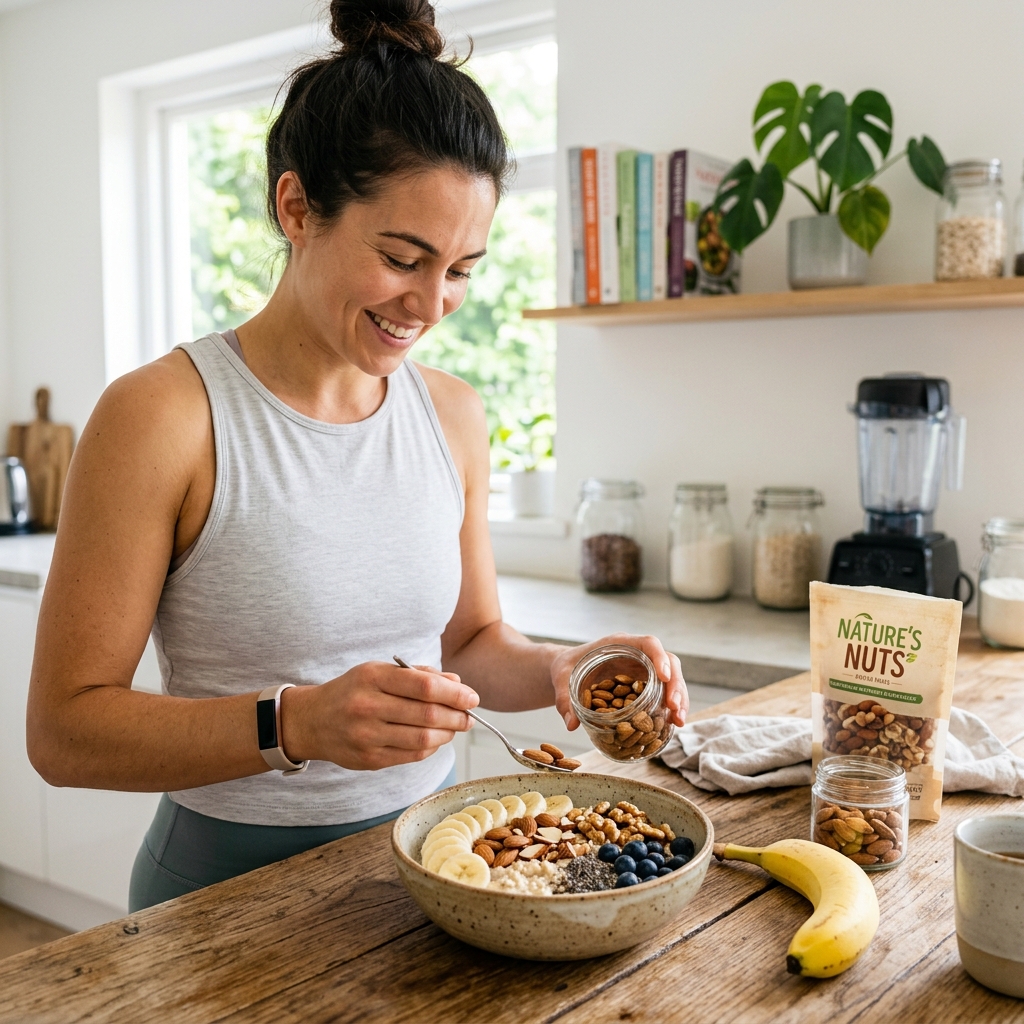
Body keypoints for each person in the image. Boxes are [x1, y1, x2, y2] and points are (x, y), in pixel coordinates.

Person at [26, 0, 688, 912]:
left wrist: (563, 670)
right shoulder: (164, 415)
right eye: (401, 256)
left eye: (460, 269)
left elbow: (467, 641)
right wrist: (293, 723)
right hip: (224, 892)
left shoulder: (451, 413)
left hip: (442, 864)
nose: (430, 303)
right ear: (296, 206)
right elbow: (64, 732)